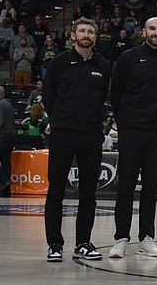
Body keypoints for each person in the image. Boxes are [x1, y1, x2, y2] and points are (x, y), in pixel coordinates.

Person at [107, 17, 157, 258]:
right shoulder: (129, 57)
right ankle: (120, 238)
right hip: (131, 131)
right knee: (125, 187)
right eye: (152, 28)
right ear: (144, 31)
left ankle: (146, 238)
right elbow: (116, 93)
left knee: (151, 188)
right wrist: (123, 122)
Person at [43, 18, 112, 262]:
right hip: (62, 134)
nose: (86, 34)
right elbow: (48, 97)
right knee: (56, 192)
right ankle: (54, 244)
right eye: (82, 31)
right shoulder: (59, 63)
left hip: (91, 136)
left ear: (95, 36)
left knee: (88, 194)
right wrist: (62, 120)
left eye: (90, 31)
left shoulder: (103, 64)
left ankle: (83, 242)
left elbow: (104, 96)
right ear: (73, 35)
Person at [0, 86, 14, 196]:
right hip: (10, 136)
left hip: (2, 136)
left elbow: (0, 121)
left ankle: (4, 180)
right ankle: (6, 186)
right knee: (6, 160)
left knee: (5, 160)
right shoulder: (8, 103)